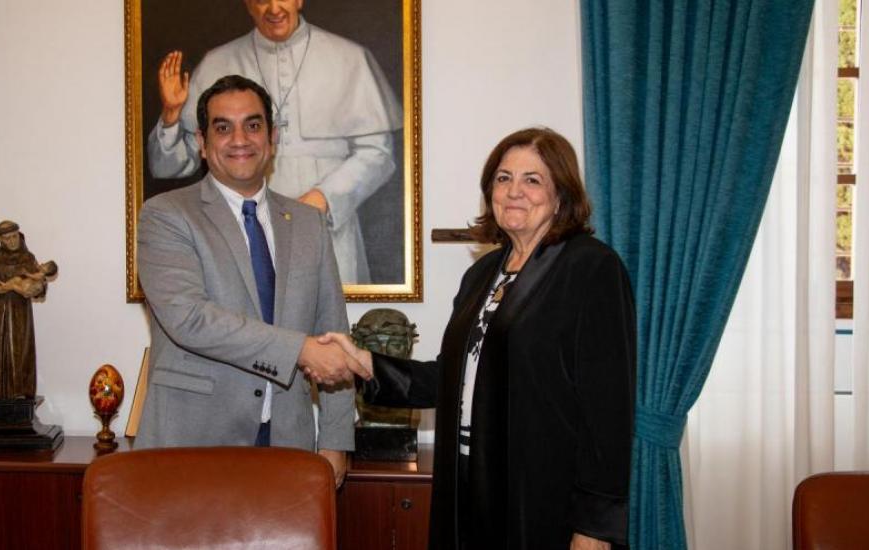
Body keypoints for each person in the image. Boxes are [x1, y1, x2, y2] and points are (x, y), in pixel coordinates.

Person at [322, 128, 636, 549]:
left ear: (561, 194)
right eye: (503, 178)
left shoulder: (592, 269)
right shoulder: (481, 276)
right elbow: (449, 378)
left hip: (543, 496)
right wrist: (364, 363)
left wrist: (595, 527)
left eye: (532, 179)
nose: (514, 191)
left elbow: (608, 410)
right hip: (468, 482)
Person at [134, 74, 369, 485]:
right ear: (202, 144)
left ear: (272, 138)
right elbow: (189, 319)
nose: (240, 138)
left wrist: (334, 441)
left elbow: (332, 332)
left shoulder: (310, 223)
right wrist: (299, 350)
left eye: (253, 125)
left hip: (288, 442)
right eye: (223, 127)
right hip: (192, 442)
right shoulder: (166, 215)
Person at [147, 0, 403, 284]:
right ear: (247, 4)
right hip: (242, 231)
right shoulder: (217, 62)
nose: (274, 9)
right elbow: (170, 167)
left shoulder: (349, 57)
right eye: (261, 0)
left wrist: (322, 201)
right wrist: (171, 116)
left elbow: (378, 154)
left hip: (328, 228)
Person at [0, 221, 49, 400]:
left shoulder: (28, 258)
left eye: (14, 236)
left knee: (21, 348)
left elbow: (41, 284)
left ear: (19, 235)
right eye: (7, 239)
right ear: (1, 241)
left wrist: (35, 286)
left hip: (20, 311)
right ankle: (2, 393)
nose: (12, 241)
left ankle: (22, 391)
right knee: (1, 350)